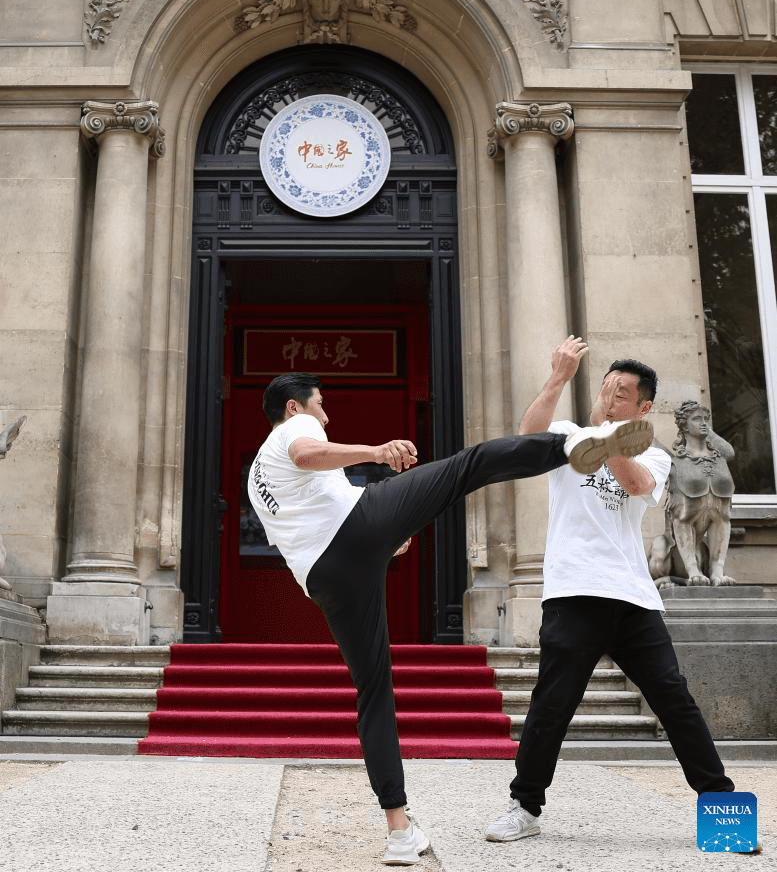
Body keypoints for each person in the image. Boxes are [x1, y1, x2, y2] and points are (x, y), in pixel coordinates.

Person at [247, 371, 654, 866]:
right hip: (356, 528)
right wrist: (377, 453)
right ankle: (577, 444)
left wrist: (384, 539)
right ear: (293, 409)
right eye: (319, 406)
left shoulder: (255, 477)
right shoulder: (292, 431)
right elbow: (307, 455)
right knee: (469, 465)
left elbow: (309, 511)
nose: (326, 416)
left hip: (326, 577)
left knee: (374, 692)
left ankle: (399, 831)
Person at [485, 336, 735, 846]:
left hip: (632, 599)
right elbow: (526, 437)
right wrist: (558, 378)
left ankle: (722, 811)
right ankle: (524, 807)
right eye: (606, 388)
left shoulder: (656, 456)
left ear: (643, 407)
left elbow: (639, 486)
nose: (609, 396)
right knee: (552, 704)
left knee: (675, 702)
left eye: (622, 393)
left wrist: (611, 440)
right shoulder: (568, 436)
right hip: (572, 592)